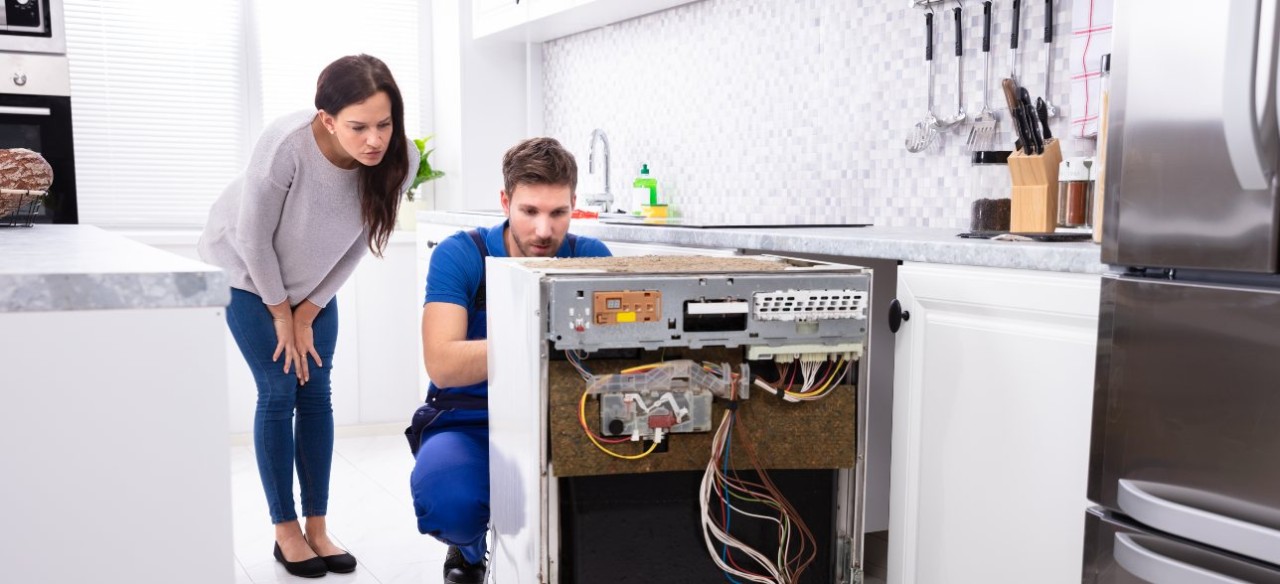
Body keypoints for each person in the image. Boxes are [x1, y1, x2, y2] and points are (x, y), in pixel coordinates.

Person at [199, 54, 419, 579]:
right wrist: (281, 312)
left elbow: (362, 238)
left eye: (384, 124)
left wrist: (309, 309)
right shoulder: (286, 145)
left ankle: (318, 529)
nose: (374, 140)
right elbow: (251, 237)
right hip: (246, 274)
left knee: (316, 391)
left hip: (312, 286)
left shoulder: (399, 159)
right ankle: (285, 531)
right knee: (279, 390)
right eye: (358, 127)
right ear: (327, 119)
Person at [409, 137, 611, 584]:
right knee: (450, 503)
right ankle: (465, 548)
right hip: (469, 420)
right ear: (505, 201)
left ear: (574, 204)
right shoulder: (461, 255)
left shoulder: (590, 258)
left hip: (566, 420)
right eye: (529, 211)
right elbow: (442, 362)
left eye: (558, 213)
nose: (544, 231)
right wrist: (540, 337)